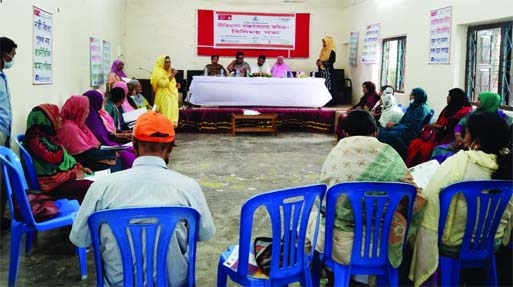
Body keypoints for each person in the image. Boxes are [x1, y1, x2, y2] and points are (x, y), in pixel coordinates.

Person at [70, 111, 216, 286]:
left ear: (133, 144)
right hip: (173, 283)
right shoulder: (187, 187)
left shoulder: (102, 187)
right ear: (170, 149)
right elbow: (205, 233)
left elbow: (80, 238)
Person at [307, 109, 425, 284]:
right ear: (376, 132)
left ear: (345, 133)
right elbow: (413, 195)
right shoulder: (389, 153)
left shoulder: (337, 153)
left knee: (312, 217)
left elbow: (325, 200)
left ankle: (330, 274)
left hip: (342, 243)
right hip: (382, 242)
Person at [409, 112, 513, 287]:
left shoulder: (459, 162)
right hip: (491, 241)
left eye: (466, 134)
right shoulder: (508, 166)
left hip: (453, 241)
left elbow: (431, 197)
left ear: (476, 141)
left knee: (414, 221)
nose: (464, 139)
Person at [24, 104, 93, 203]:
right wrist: (74, 174)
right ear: (46, 121)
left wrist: (79, 167)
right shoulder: (37, 143)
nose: (60, 119)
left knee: (95, 187)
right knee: (93, 188)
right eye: (56, 117)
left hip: (64, 181)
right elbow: (52, 174)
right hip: (53, 187)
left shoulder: (49, 138)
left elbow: (65, 160)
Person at [432, 91, 511, 162]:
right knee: (439, 150)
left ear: (488, 102)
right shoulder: (473, 113)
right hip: (467, 144)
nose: (476, 102)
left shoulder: (503, 120)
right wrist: (458, 137)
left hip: (488, 150)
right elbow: (459, 126)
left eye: (479, 100)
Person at [406, 88, 472, 167]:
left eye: (449, 95)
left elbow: (448, 128)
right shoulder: (448, 108)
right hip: (437, 135)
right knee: (415, 143)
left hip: (446, 139)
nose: (447, 97)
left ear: (454, 97)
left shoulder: (462, 112)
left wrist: (432, 126)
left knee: (423, 148)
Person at [57, 95, 122, 172]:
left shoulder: (79, 125)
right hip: (80, 162)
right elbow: (86, 153)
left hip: (88, 158)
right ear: (77, 109)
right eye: (86, 108)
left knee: (117, 161)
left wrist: (111, 152)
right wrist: (112, 153)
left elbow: (93, 146)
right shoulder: (68, 128)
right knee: (116, 164)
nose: (88, 111)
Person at [83, 89, 135, 169]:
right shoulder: (90, 118)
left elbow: (107, 133)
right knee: (129, 157)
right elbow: (100, 137)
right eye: (101, 100)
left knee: (132, 149)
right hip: (104, 146)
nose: (103, 102)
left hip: (108, 143)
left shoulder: (96, 114)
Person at [378, 87, 431, 159]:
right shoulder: (414, 106)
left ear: (417, 96)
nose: (409, 96)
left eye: (412, 94)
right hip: (404, 128)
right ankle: (385, 152)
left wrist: (395, 126)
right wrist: (395, 125)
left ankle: (401, 154)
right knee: (381, 130)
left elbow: (413, 125)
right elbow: (404, 119)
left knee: (391, 134)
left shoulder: (421, 109)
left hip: (411, 132)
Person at [0, 36, 17, 229]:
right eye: (12, 55)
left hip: (4, 130)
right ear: (3, 54)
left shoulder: (2, 75)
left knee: (2, 177)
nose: (13, 59)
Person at [151, 55, 180, 127]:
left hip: (172, 96)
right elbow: (163, 84)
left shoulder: (169, 72)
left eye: (169, 62)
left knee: (172, 114)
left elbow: (171, 83)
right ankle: (164, 129)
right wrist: (173, 74)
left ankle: (169, 130)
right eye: (166, 62)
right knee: (165, 115)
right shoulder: (158, 73)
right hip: (164, 97)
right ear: (161, 63)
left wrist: (176, 85)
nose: (169, 64)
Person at [319, 36, 336, 104]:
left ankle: (329, 102)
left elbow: (332, 61)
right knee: (323, 86)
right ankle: (323, 101)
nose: (323, 44)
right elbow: (320, 59)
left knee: (328, 86)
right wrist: (318, 62)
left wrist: (322, 62)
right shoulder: (323, 50)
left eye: (325, 42)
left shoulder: (332, 51)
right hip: (322, 72)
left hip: (328, 72)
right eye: (323, 42)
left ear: (329, 43)